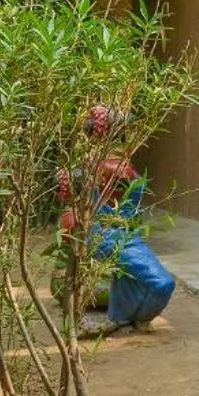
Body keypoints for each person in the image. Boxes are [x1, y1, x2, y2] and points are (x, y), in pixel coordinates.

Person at [61, 106, 175, 336]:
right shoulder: (110, 167)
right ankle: (134, 318)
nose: (132, 135)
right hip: (110, 235)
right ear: (114, 133)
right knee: (163, 283)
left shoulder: (97, 164)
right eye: (127, 130)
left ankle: (120, 318)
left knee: (127, 278)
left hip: (122, 233)